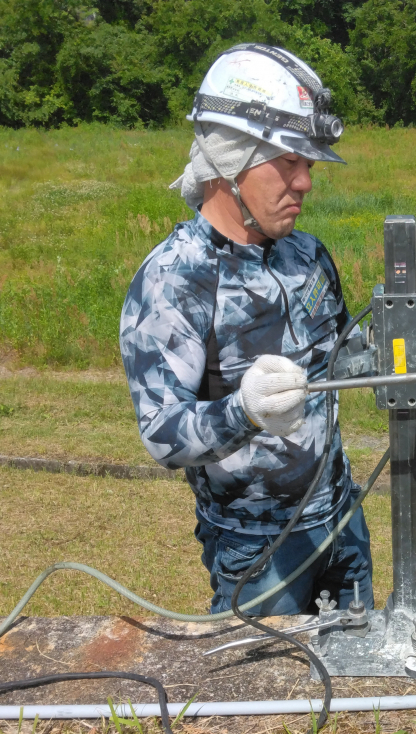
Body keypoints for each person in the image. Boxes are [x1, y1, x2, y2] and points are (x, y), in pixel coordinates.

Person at [119, 44, 371, 617]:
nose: (305, 183)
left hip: (341, 520)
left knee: (361, 691)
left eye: (308, 165)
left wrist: (402, 347)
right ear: (231, 161)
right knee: (267, 705)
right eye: (290, 162)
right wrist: (245, 411)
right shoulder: (175, 279)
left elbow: (340, 357)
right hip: (259, 552)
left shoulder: (306, 255)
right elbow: (162, 432)